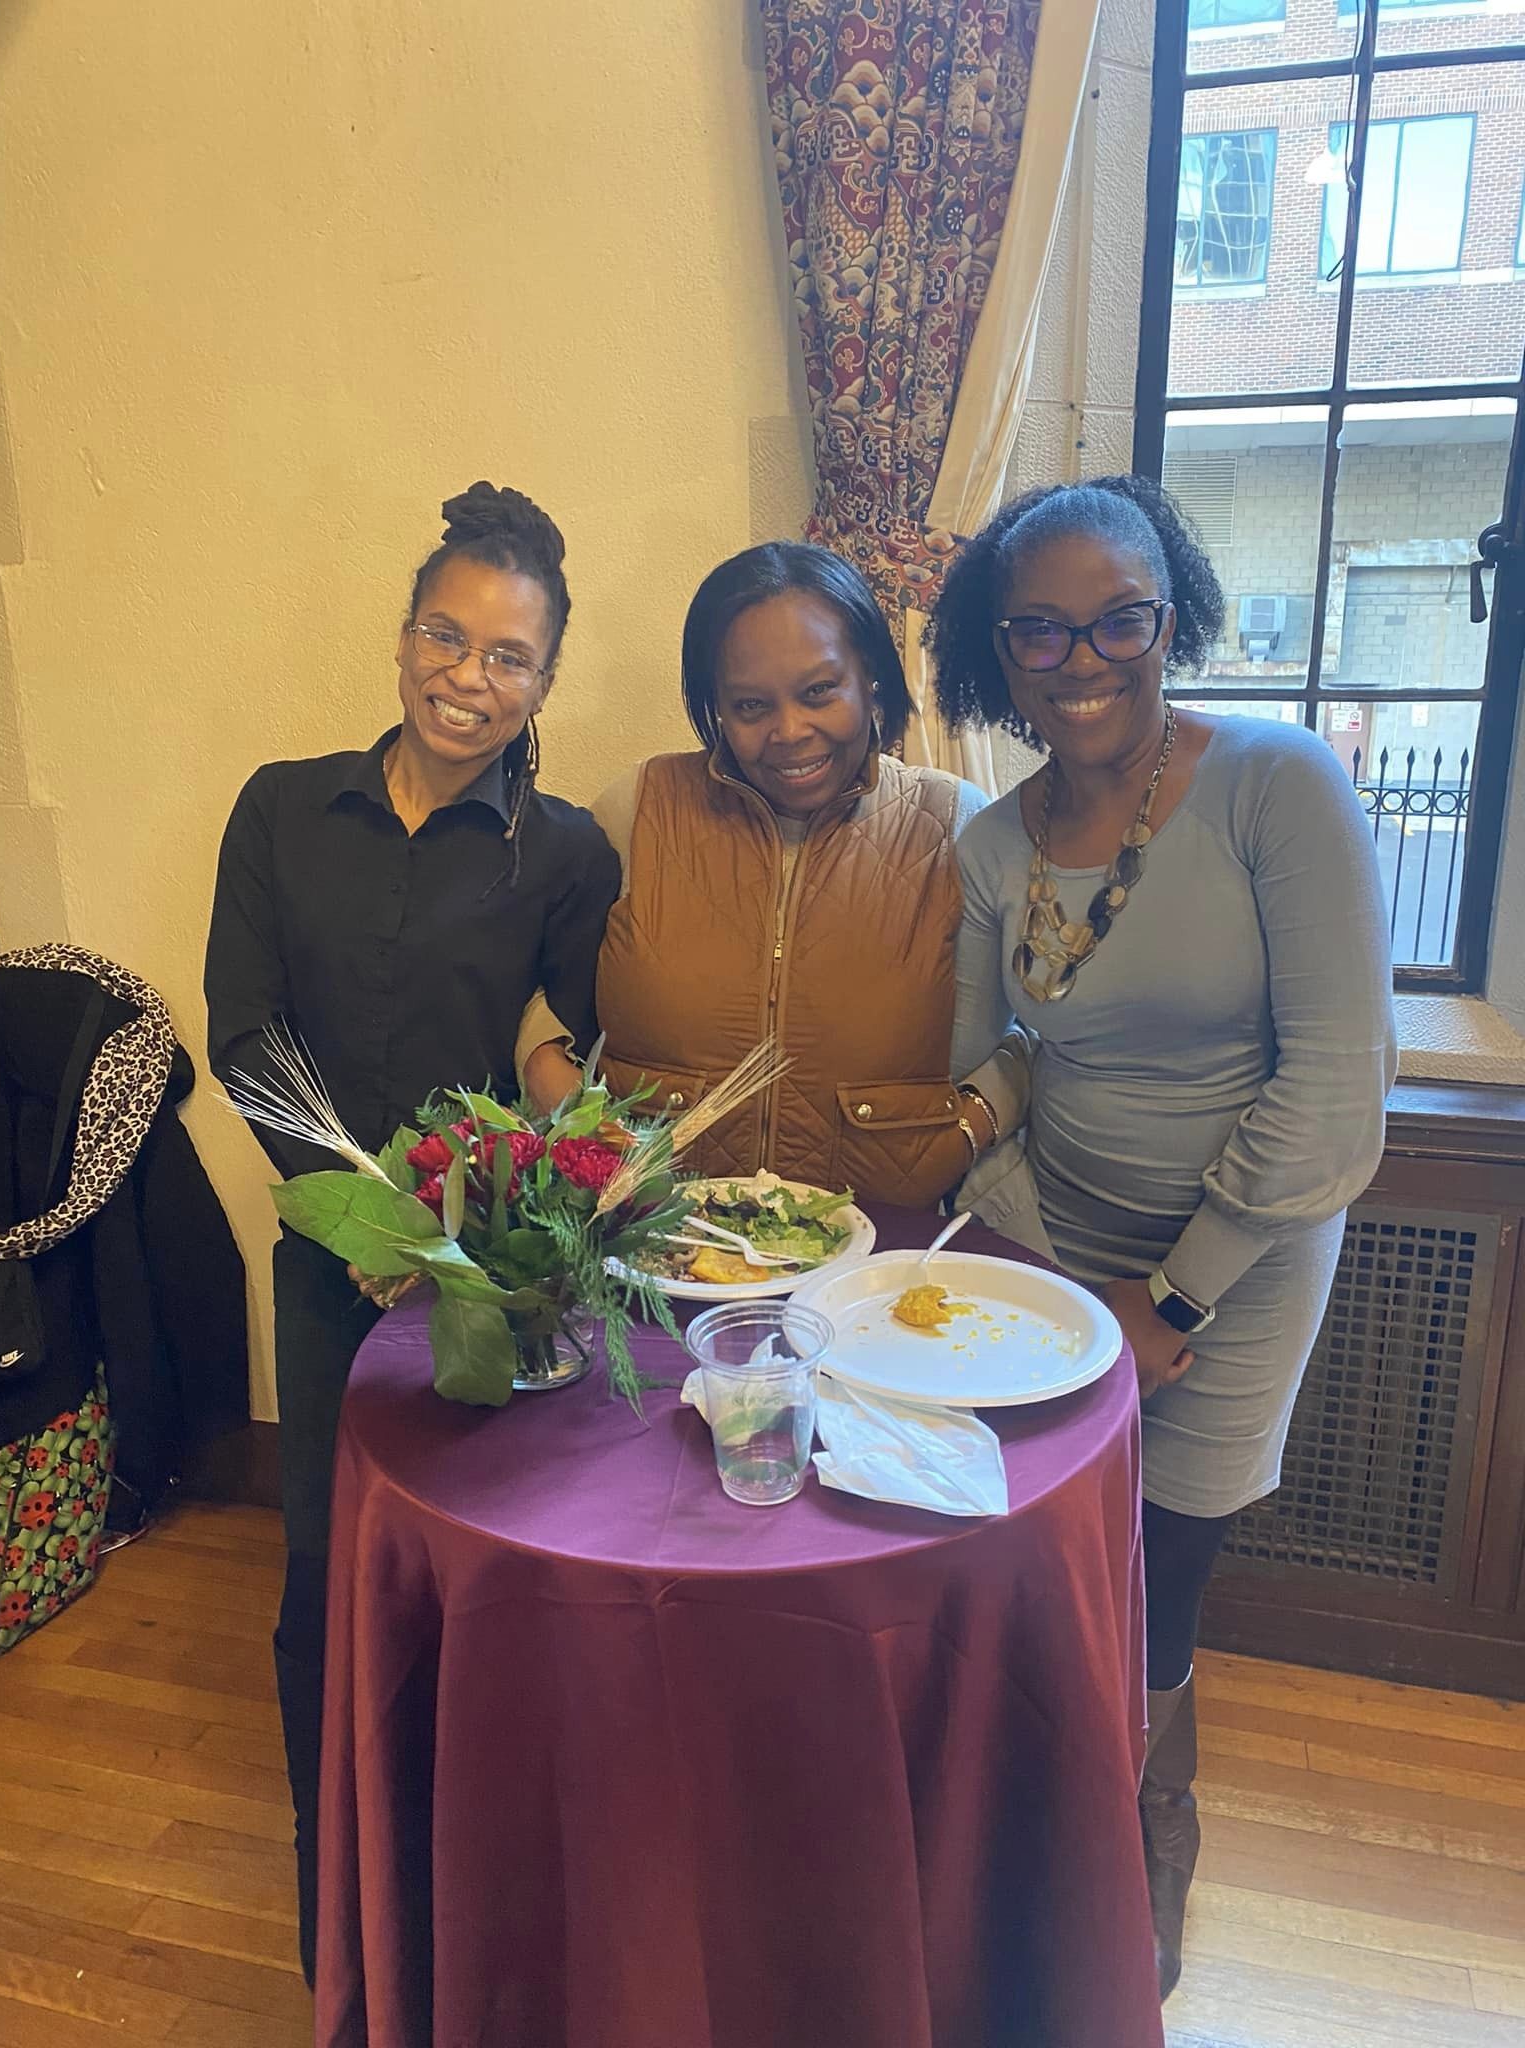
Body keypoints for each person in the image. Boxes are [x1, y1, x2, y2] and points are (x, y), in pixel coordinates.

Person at [932, 475, 1396, 2002]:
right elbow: (990, 1069)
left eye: (1119, 620)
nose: (1083, 660)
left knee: (1158, 1573)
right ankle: (1032, 1827)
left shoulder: (1277, 788)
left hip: (1240, 1270)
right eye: (1041, 631)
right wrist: (1049, 1272)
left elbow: (1334, 1092)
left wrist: (1172, 1299)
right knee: (1034, 1554)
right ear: (999, 650)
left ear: (1173, 616)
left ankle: (1149, 1832)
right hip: (1056, 1258)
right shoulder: (990, 847)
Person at [204, 483, 620, 1981]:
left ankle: (487, 1902)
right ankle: (346, 1916)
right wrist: (366, 1219)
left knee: (492, 1587)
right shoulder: (278, 807)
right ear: (402, 639)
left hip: (489, 1284)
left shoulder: (567, 855)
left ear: (543, 684)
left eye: (509, 656)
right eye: (447, 635)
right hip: (335, 1275)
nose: (468, 676)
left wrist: (533, 1191)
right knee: (331, 1587)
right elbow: (247, 1039)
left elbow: (564, 1057)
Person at [519, 541, 1014, 1207]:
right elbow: (542, 996)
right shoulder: (638, 808)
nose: (790, 731)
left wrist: (967, 1133)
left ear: (870, 676)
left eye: (819, 692)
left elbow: (1019, 1036)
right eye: (751, 706)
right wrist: (561, 1100)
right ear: (717, 707)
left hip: (882, 1244)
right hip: (661, 1240)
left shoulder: (952, 823)